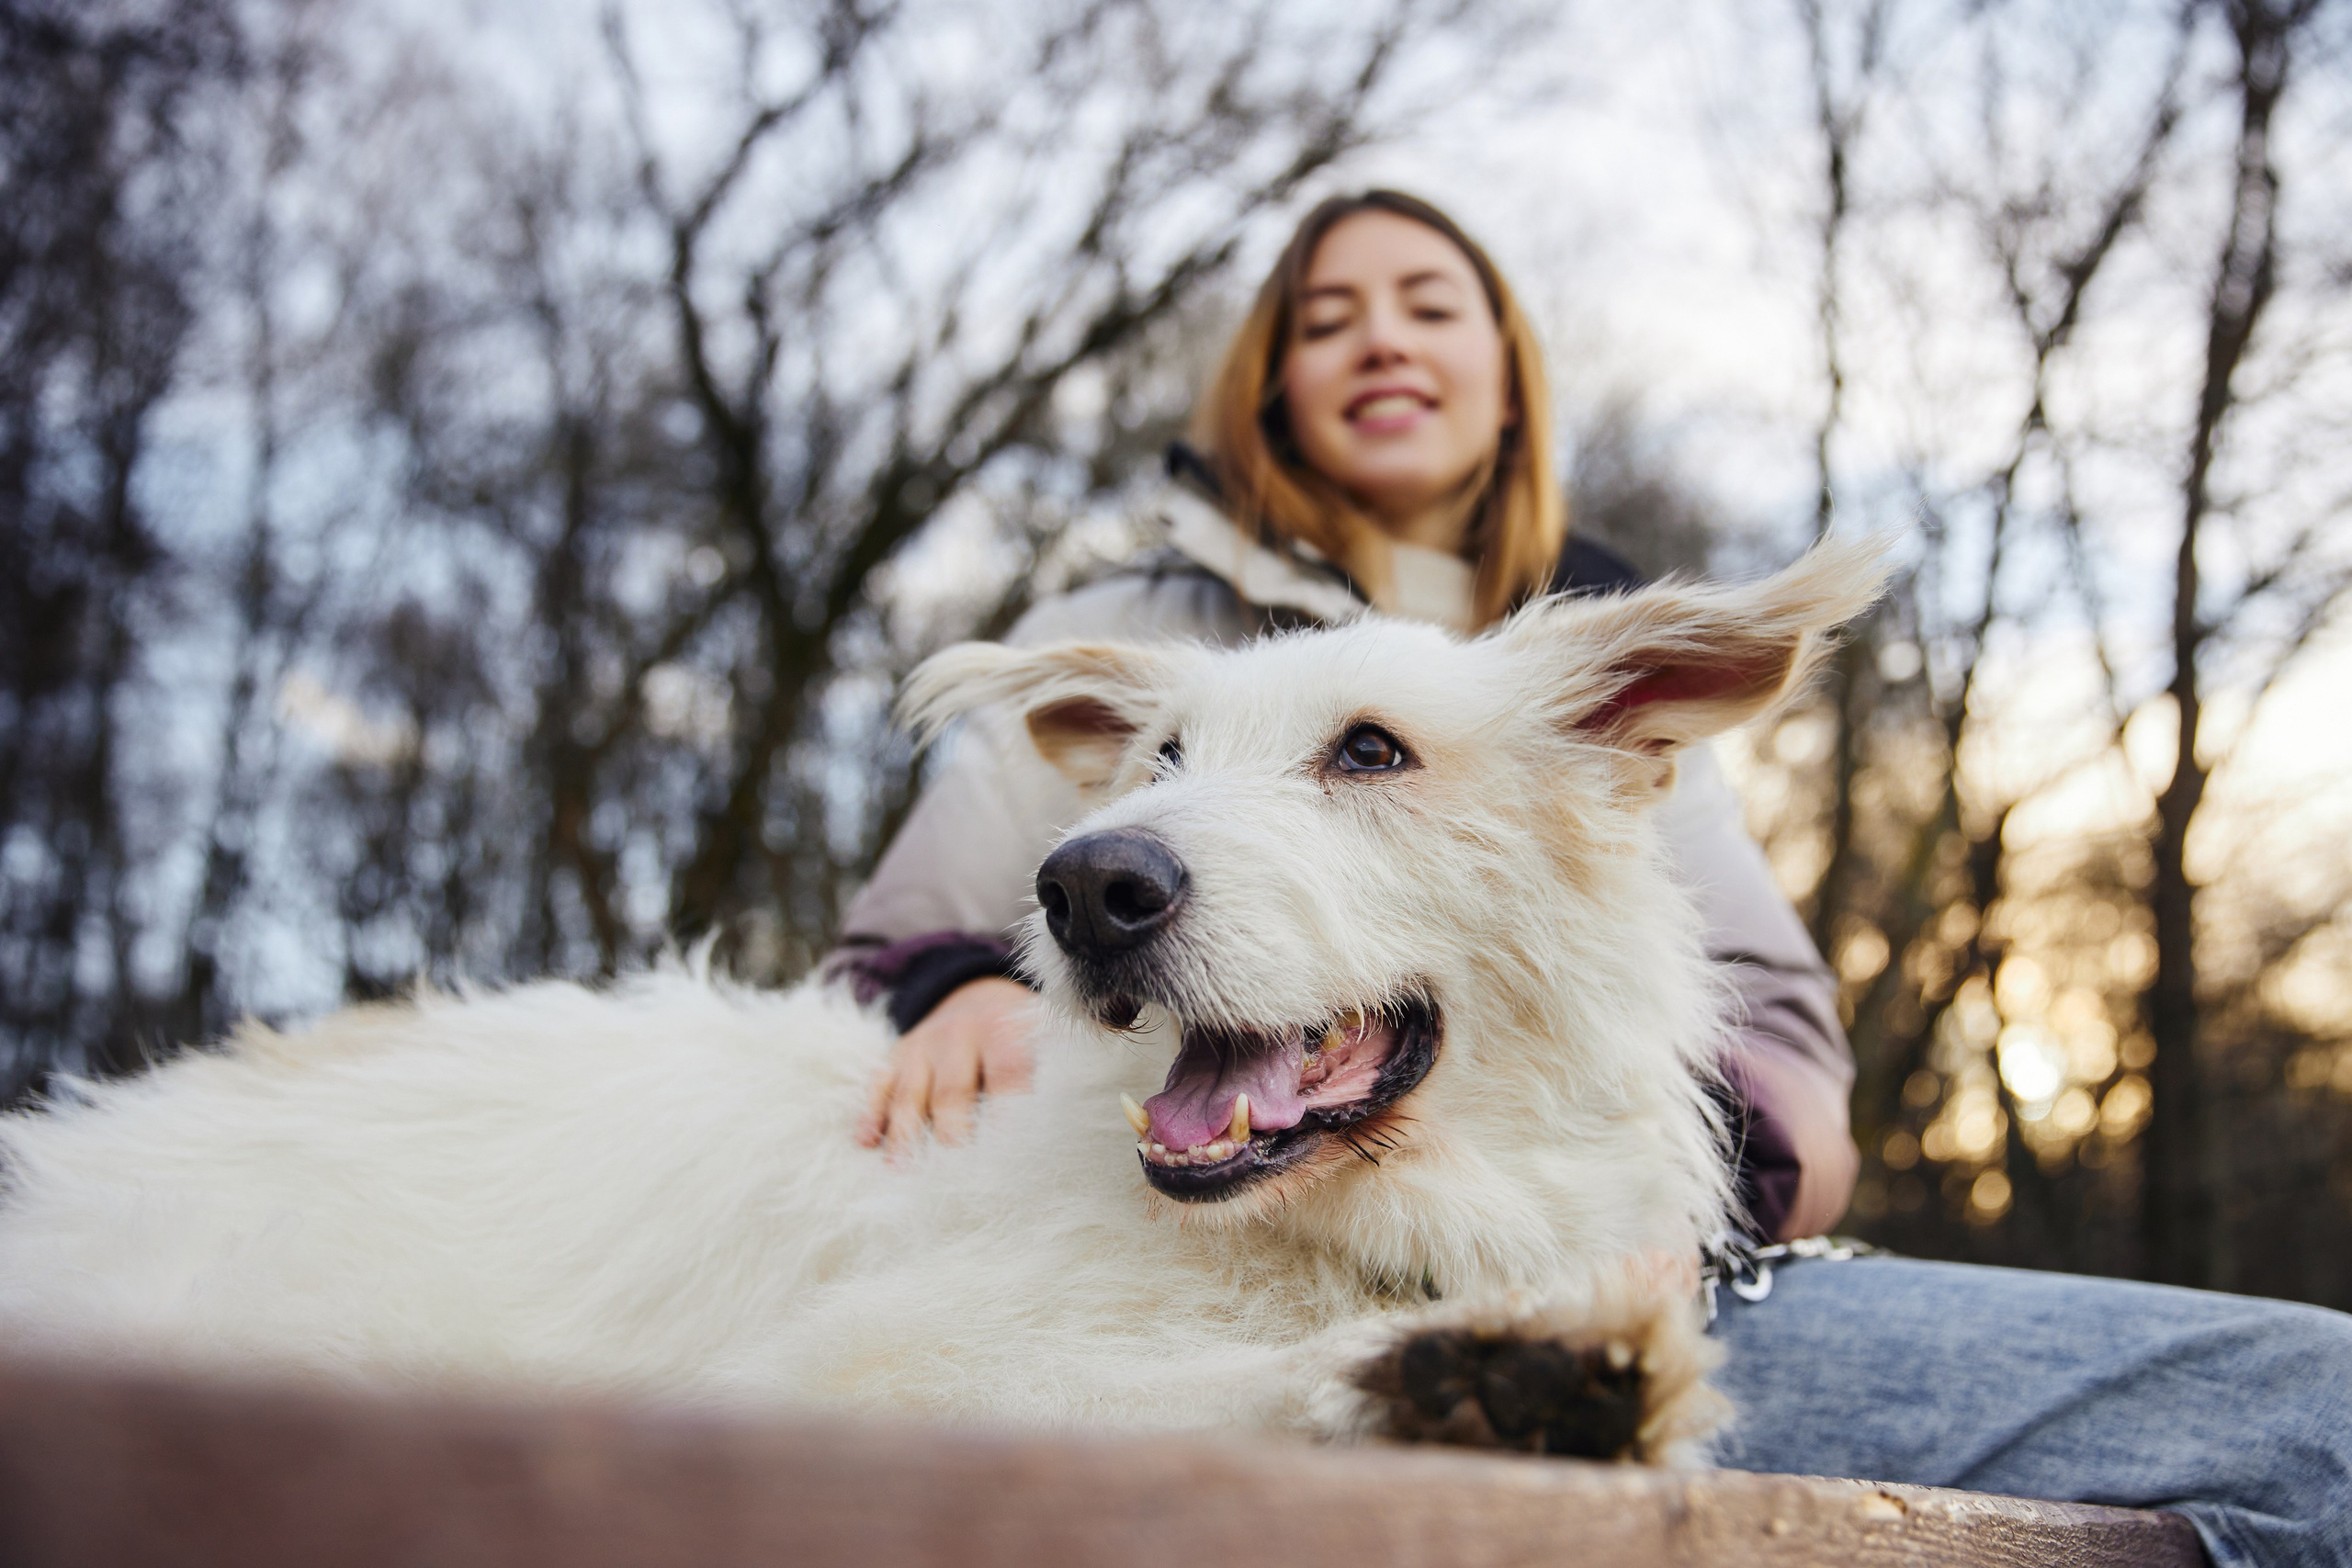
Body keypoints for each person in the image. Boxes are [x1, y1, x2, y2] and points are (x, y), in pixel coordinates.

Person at [829, 190, 2352, 1568]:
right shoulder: (1129, 619)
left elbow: (1766, 1014)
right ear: (1268, 383)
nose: (1381, 339)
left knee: (2320, 1425)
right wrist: (952, 982)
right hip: (1155, 1257)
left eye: (1430, 304)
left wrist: (1679, 1200)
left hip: (1633, 1271)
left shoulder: (1593, 659)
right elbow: (944, 910)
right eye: (1325, 315)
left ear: (1506, 374)